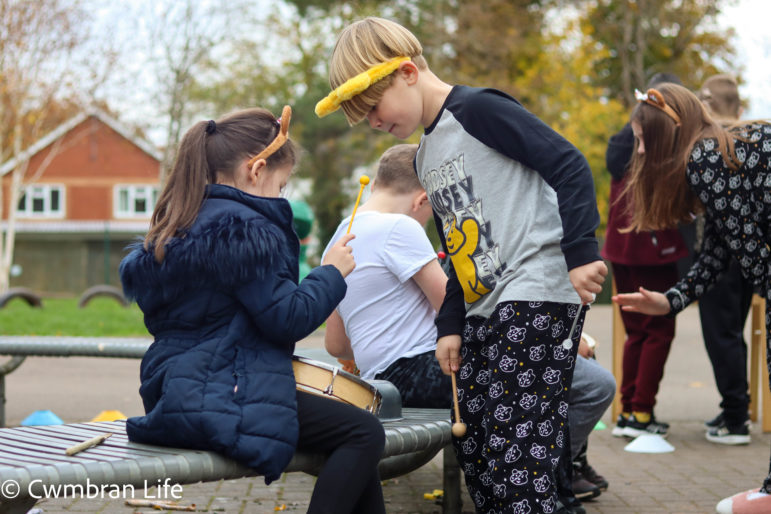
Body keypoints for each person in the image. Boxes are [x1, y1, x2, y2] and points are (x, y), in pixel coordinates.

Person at [316, 17, 608, 514]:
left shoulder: (479, 110)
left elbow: (569, 163)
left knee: (517, 463)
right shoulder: (427, 157)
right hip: (482, 311)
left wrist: (581, 252)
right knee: (480, 451)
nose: (372, 123)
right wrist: (449, 324)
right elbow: (456, 248)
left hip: (532, 292)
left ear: (407, 72)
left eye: (373, 107)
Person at [119, 106, 386, 514]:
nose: (281, 197)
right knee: (363, 433)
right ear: (256, 170)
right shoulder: (246, 233)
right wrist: (331, 273)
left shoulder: (181, 224)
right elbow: (287, 319)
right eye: (281, 186)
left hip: (168, 391)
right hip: (221, 396)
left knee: (348, 435)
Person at [611, 83, 771, 514]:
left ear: (664, 133)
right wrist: (672, 301)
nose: (640, 152)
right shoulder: (717, 152)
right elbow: (719, 250)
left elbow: (752, 252)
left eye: (643, 140)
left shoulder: (705, 159)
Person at [323, 143, 452, 408]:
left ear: (375, 186)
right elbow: (451, 307)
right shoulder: (400, 226)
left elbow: (336, 345)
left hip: (376, 384)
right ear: (423, 199)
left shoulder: (338, 239)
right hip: (419, 371)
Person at [602, 73, 690, 439]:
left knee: (635, 331)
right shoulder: (658, 142)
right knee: (658, 329)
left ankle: (627, 409)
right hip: (651, 249)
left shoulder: (621, 141)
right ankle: (641, 411)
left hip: (620, 248)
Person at [695, 74, 753, 445]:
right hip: (749, 256)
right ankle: (736, 406)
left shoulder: (712, 146)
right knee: (734, 333)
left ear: (707, 104)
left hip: (719, 257)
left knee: (721, 336)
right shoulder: (753, 141)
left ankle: (735, 419)